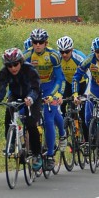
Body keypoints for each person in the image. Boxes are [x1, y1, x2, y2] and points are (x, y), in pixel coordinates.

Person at [0, 48, 42, 170]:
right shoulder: (4, 72)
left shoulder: (29, 69)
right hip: (16, 94)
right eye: (9, 65)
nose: (13, 68)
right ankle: (11, 143)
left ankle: (37, 154)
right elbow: (1, 89)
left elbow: (36, 88)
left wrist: (31, 98)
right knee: (9, 113)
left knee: (31, 123)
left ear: (21, 62)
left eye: (15, 64)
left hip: (32, 94)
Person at [23, 27, 65, 170]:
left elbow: (60, 78)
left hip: (50, 86)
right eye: (35, 42)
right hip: (34, 87)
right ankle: (29, 147)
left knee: (48, 119)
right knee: (25, 115)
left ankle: (50, 155)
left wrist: (54, 95)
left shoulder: (53, 55)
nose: (38, 45)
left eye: (41, 42)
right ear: (32, 42)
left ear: (46, 43)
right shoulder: (27, 55)